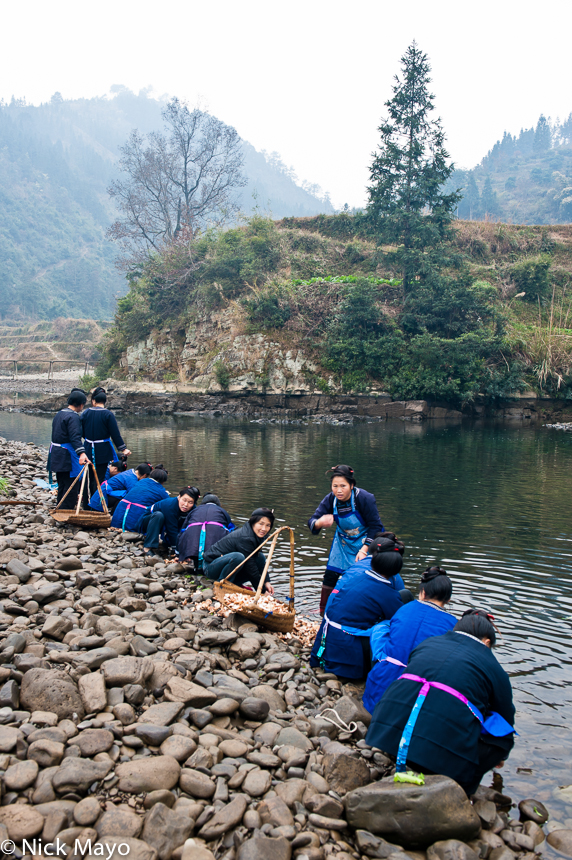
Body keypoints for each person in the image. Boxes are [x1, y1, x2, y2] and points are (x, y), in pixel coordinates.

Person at [365, 609, 516, 796]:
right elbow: (506, 716)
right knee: (504, 737)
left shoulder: (429, 643)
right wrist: (498, 755)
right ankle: (463, 786)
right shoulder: (494, 668)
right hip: (440, 758)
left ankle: (406, 754)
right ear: (486, 642)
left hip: (385, 734)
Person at [309, 536, 405, 680]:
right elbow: (399, 622)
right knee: (390, 626)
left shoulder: (356, 576)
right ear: (396, 571)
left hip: (326, 641)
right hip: (345, 653)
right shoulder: (388, 594)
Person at [363, 567, 456, 713]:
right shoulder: (452, 623)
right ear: (448, 598)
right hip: (418, 696)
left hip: (379, 689)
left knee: (381, 628)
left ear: (423, 593)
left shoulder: (406, 608)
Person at [308, 465, 384, 614]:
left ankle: (360, 610)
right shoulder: (331, 499)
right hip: (343, 542)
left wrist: (365, 549)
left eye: (343, 486)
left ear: (352, 485)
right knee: (330, 575)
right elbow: (312, 521)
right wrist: (319, 523)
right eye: (335, 486)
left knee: (363, 578)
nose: (339, 490)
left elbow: (376, 526)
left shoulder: (364, 498)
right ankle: (323, 611)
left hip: (366, 541)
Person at [203, 508, 276, 594]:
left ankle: (234, 583)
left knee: (260, 558)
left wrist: (266, 581)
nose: (264, 529)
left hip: (228, 566)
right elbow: (250, 566)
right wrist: (262, 591)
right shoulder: (245, 537)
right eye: (261, 524)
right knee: (238, 557)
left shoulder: (257, 535)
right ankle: (223, 586)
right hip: (211, 567)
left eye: (268, 525)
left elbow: (257, 562)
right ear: (253, 522)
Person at [81, 387, 131, 495]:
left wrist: (89, 439)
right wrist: (123, 449)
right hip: (103, 450)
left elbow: (81, 432)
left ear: (93, 401)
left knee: (87, 476)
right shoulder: (108, 414)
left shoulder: (85, 413)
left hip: (88, 447)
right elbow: (115, 434)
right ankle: (96, 503)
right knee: (99, 477)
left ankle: (86, 503)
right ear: (105, 401)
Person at [49, 388, 89, 509]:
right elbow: (75, 437)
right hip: (66, 455)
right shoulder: (73, 417)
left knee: (62, 482)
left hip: (56, 452)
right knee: (71, 484)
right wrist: (82, 453)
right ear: (81, 404)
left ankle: (59, 506)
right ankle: (66, 509)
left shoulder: (60, 413)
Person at [138, 486, 200, 557]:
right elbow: (172, 529)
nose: (185, 505)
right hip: (148, 522)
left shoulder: (194, 509)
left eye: (190, 502)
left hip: (165, 524)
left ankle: (167, 543)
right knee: (159, 515)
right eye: (184, 500)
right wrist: (177, 550)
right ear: (179, 497)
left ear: (194, 503)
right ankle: (147, 547)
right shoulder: (170, 505)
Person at [177, 493, 235, 569]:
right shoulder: (222, 511)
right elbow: (231, 528)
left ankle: (196, 565)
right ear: (218, 504)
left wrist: (178, 553)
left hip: (192, 548)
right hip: (214, 547)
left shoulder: (195, 510)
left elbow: (182, 530)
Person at [110, 465, 169, 532]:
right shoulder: (161, 490)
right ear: (163, 481)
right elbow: (169, 504)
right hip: (134, 523)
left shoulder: (140, 482)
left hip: (117, 520)